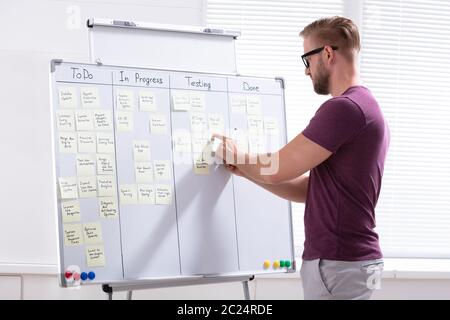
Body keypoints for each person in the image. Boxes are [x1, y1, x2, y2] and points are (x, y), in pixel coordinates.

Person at [213, 16, 390, 300]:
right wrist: (246, 171)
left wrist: (236, 155)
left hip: (338, 262)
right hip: (349, 262)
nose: (307, 71)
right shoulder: (366, 106)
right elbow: (309, 189)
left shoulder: (344, 109)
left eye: (307, 59)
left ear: (328, 54)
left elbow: (279, 166)